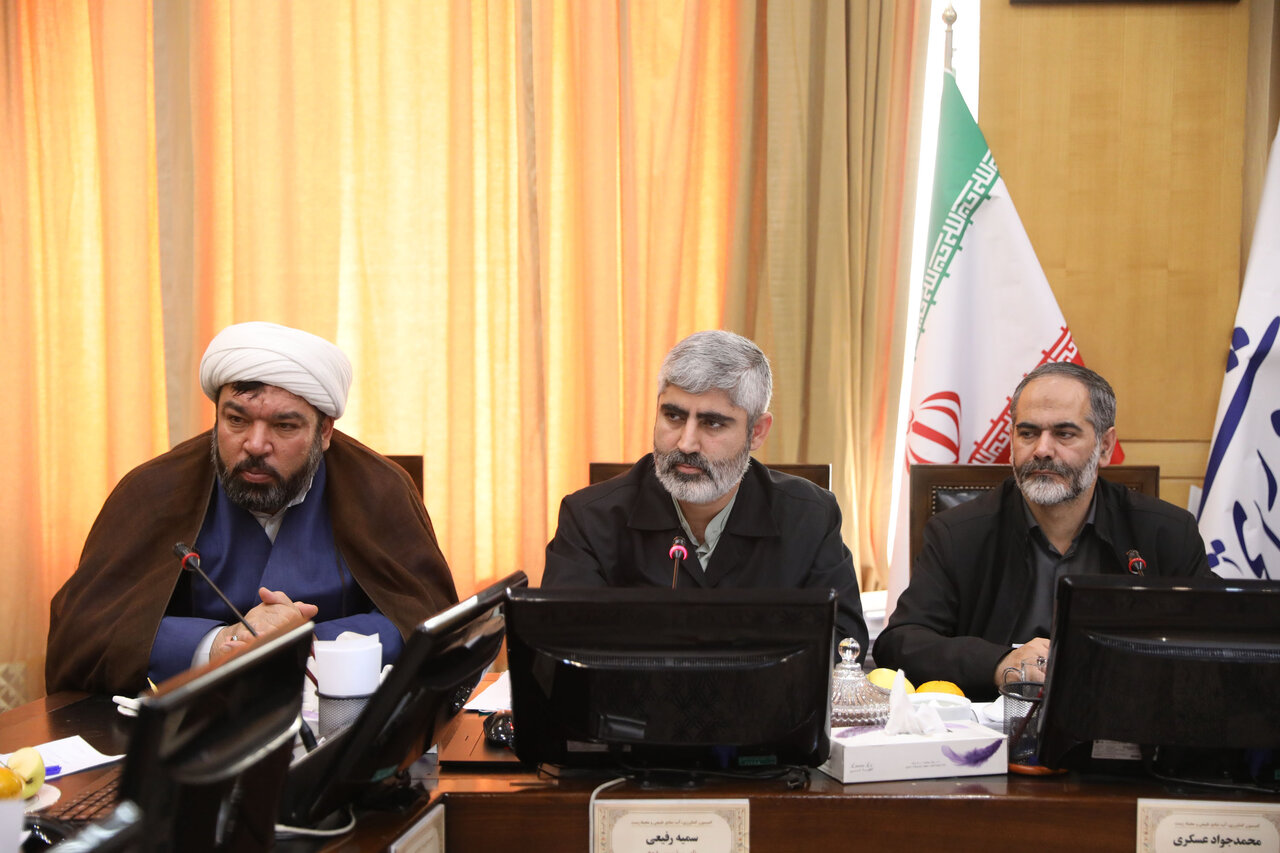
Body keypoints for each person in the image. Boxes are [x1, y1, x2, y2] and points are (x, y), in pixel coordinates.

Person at [47, 321, 457, 694]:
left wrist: (308, 642)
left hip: (346, 723)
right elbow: (84, 636)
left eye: (284, 426)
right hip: (189, 729)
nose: (256, 445)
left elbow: (431, 622)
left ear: (325, 431)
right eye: (237, 421)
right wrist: (216, 644)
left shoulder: (378, 488)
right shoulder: (153, 491)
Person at [873, 362, 1212, 699]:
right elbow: (901, 643)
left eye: (1064, 434)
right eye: (1028, 433)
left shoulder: (1166, 533)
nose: (1042, 450)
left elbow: (1212, 643)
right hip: (995, 725)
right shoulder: (958, 534)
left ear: (1105, 446)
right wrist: (999, 663)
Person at [542, 330, 868, 657]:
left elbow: (845, 644)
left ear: (756, 432)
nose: (686, 444)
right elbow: (560, 646)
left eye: (712, 423)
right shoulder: (588, 519)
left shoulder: (810, 517)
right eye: (673, 416)